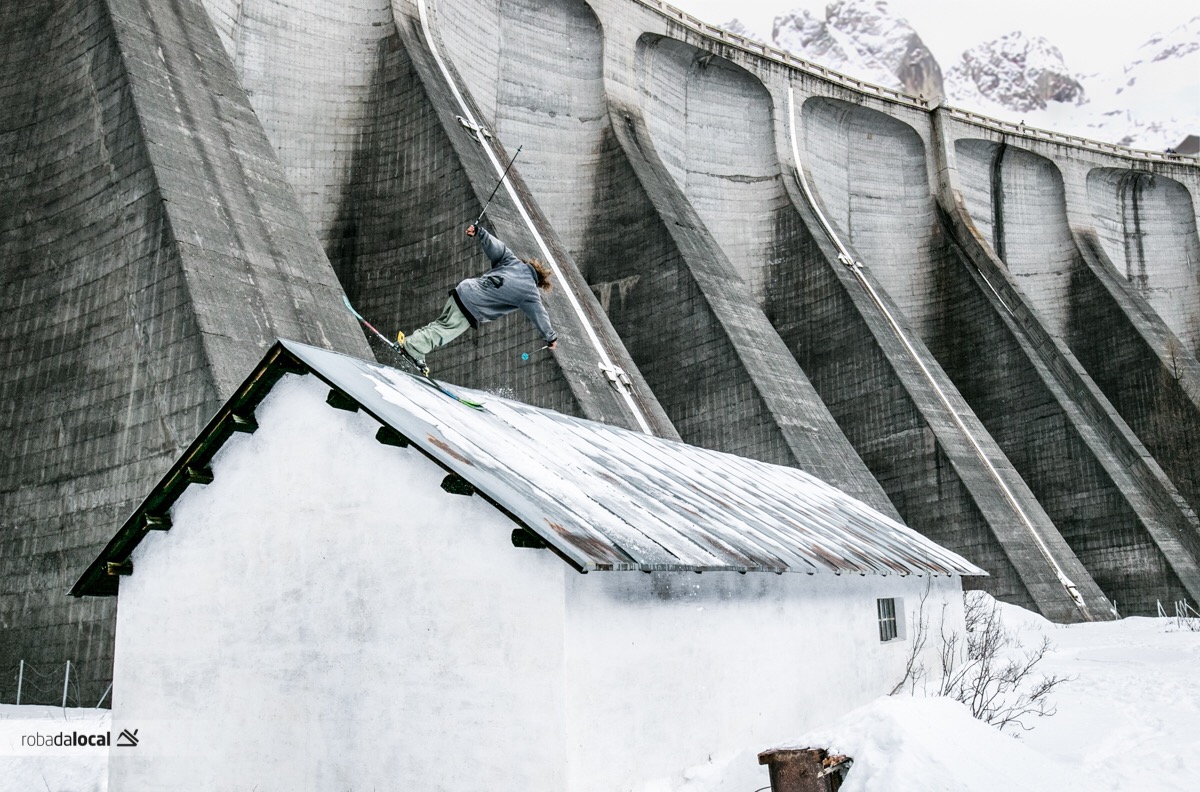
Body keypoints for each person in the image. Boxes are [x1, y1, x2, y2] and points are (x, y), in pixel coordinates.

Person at [396, 224, 558, 374]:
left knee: (441, 324)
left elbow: (497, 246)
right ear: (539, 282)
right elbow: (540, 315)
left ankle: (413, 344)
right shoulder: (530, 291)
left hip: (463, 290)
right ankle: (413, 347)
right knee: (444, 331)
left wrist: (479, 231)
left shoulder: (512, 261)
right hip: (472, 305)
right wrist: (550, 338)